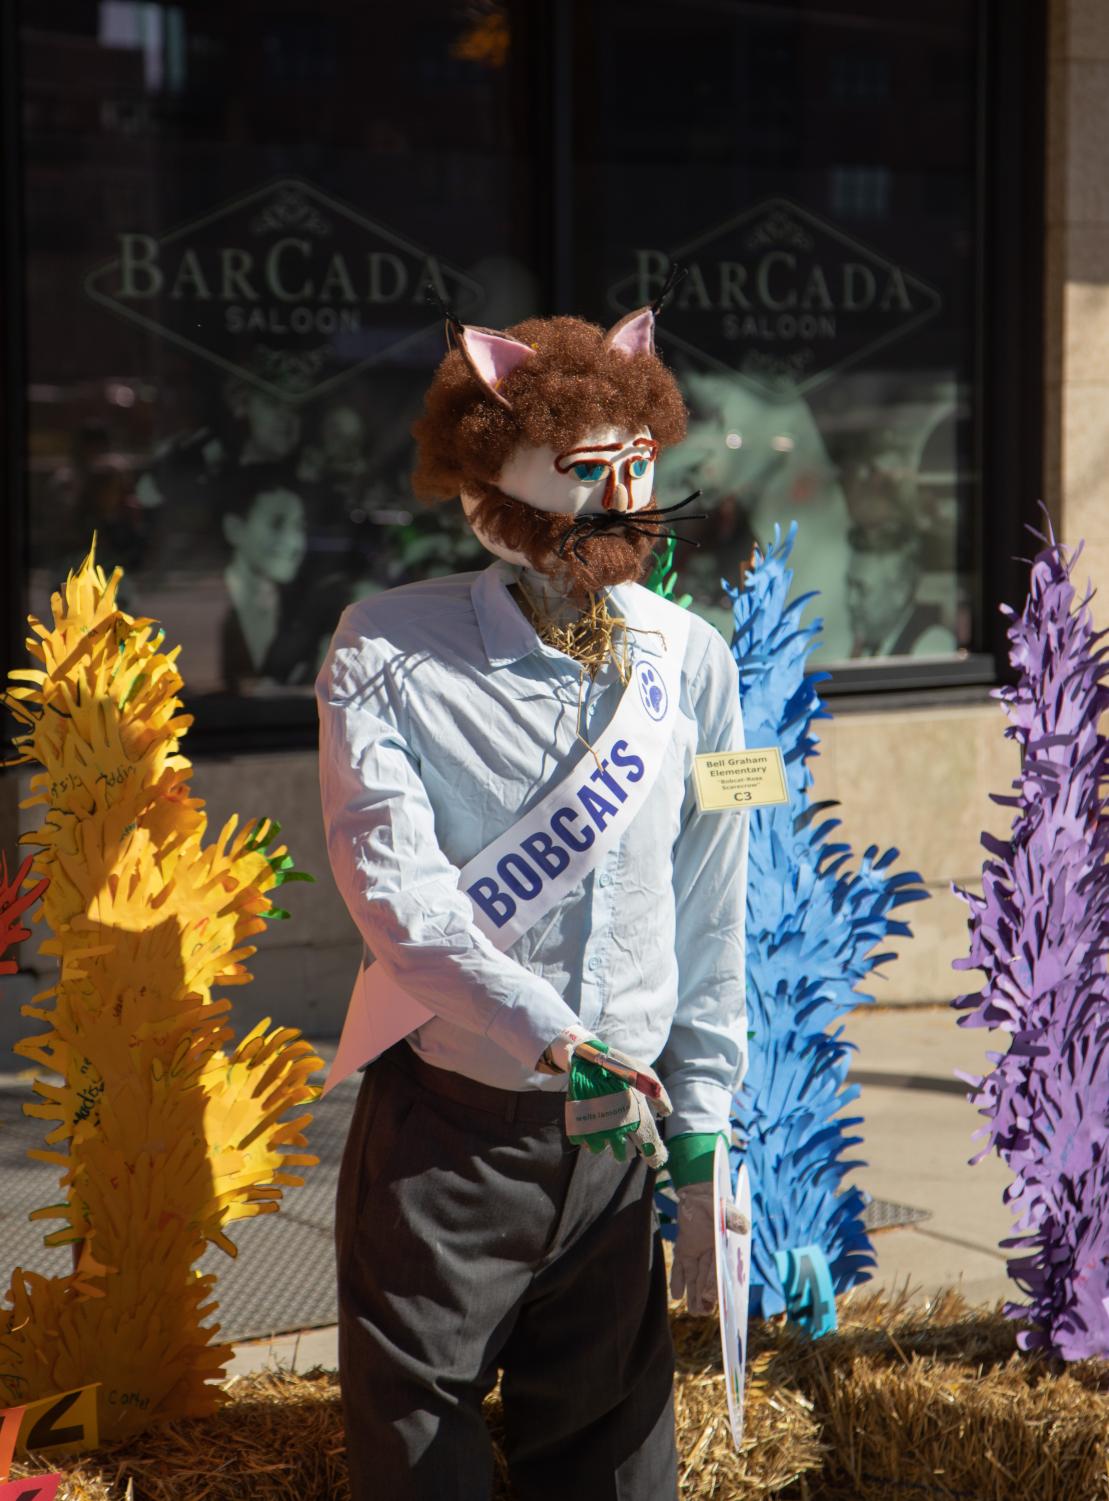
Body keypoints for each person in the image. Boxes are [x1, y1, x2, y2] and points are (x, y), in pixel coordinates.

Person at [316, 306, 749, 1500]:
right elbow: (391, 891)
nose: (618, 500)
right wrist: (551, 1031)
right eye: (583, 474)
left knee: (615, 1467)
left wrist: (705, 1116)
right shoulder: (383, 651)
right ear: (490, 488)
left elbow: (715, 895)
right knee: (420, 1465)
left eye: (635, 468)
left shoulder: (688, 658)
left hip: (621, 1153)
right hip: (451, 1142)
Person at [218, 463, 309, 693]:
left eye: (299, 527)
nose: (294, 543)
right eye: (277, 524)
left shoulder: (303, 611)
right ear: (235, 528)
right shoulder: (196, 609)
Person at [845, 521, 957, 659]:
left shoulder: (929, 646)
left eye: (862, 589)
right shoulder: (872, 643)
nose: (851, 601)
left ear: (901, 592)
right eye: (849, 585)